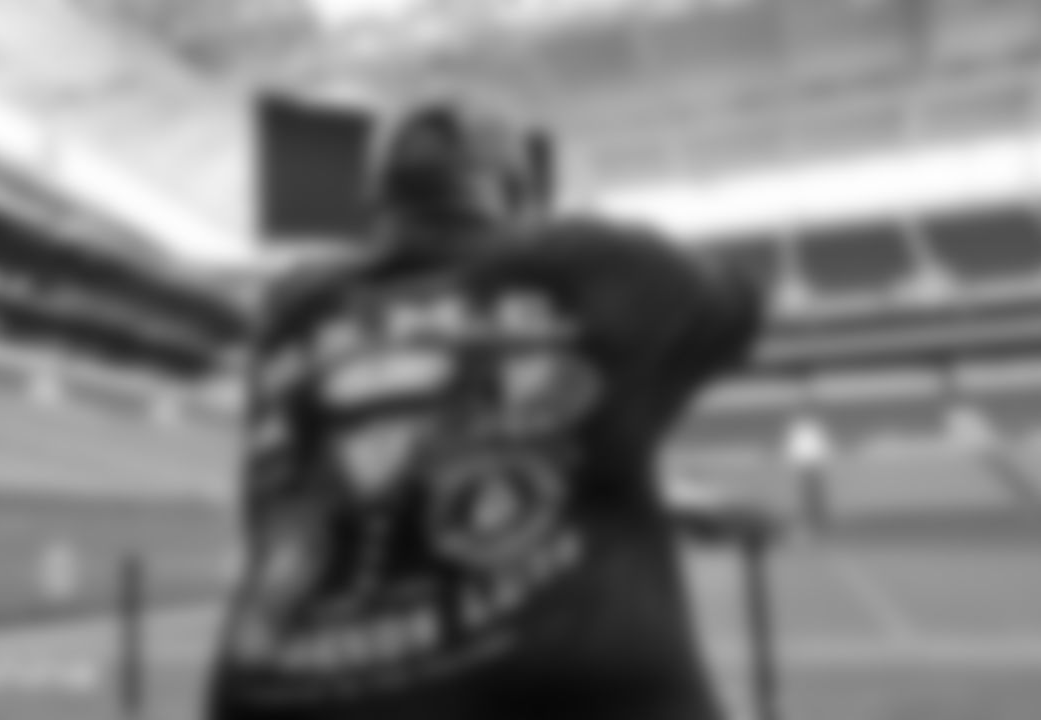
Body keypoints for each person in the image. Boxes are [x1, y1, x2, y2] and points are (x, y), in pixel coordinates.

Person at [207, 99, 767, 720]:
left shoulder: (289, 310)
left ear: (377, 200)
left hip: (275, 689)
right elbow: (739, 305)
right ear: (513, 190)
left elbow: (349, 460)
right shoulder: (592, 263)